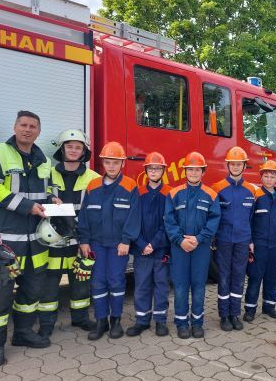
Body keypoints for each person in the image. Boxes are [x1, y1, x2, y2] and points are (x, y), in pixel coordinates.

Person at [0, 111, 51, 366]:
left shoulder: (43, 159)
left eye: (33, 126)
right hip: (2, 243)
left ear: (39, 131)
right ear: (15, 127)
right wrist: (28, 206)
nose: (28, 130)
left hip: (34, 243)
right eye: (23, 125)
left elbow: (47, 190)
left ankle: (24, 333)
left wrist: (53, 200)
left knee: (30, 293)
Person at [37, 129, 100, 338]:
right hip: (52, 239)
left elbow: (97, 211)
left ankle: (80, 318)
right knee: (49, 283)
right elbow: (37, 199)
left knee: (80, 280)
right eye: (69, 146)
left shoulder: (94, 178)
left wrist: (87, 238)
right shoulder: (47, 174)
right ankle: (46, 324)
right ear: (62, 149)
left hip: (80, 239)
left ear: (84, 152)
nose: (73, 150)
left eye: (78, 147)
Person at [77, 141, 140, 340]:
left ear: (122, 164)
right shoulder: (92, 186)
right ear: (103, 163)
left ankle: (116, 321)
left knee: (116, 280)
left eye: (116, 162)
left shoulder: (130, 186)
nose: (111, 166)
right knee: (97, 282)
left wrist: (126, 240)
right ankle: (101, 321)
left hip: (117, 245)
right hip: (95, 243)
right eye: (108, 162)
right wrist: (84, 240)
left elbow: (134, 217)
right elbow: (85, 216)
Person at [165, 152, 220, 339]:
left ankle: (197, 323)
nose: (194, 172)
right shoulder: (173, 194)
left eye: (197, 169)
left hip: (201, 247)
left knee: (198, 286)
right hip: (179, 247)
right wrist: (180, 240)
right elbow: (169, 220)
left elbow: (214, 220)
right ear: (185, 171)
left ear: (203, 172)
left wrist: (198, 239)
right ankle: (181, 323)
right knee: (180, 286)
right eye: (190, 169)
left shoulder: (211, 195)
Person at [126, 152, 172, 337]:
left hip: (160, 250)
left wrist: (153, 243)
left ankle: (160, 321)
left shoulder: (169, 193)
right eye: (151, 168)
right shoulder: (137, 193)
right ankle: (142, 321)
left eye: (157, 168)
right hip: (141, 250)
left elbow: (168, 222)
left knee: (161, 285)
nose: (154, 171)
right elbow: (132, 221)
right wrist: (141, 243)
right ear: (145, 170)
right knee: (142, 285)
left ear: (163, 170)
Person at [212, 146, 257, 332]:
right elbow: (214, 217)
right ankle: (224, 315)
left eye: (239, 164)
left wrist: (251, 240)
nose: (236, 167)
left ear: (244, 165)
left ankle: (234, 314)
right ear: (228, 165)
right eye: (233, 164)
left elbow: (253, 219)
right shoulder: (218, 188)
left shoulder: (251, 191)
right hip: (223, 240)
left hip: (242, 241)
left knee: (238, 277)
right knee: (224, 277)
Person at [243, 160, 276, 322]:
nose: (269, 179)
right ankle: (250, 309)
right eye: (266, 175)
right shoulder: (256, 196)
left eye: (272, 176)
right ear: (261, 177)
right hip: (259, 244)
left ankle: (269, 307)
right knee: (255, 276)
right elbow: (248, 220)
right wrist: (249, 240)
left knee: (273, 277)